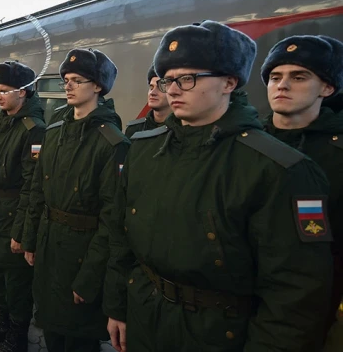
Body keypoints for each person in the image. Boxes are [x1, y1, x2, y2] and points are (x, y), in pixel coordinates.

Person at [104, 20, 334, 352]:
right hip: (146, 316)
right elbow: (120, 235)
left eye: (188, 78)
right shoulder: (142, 148)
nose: (172, 89)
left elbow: (296, 290)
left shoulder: (279, 168)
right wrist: (117, 307)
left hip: (220, 333)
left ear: (229, 82)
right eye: (169, 79)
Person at [23, 48, 130, 352]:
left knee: (79, 340)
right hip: (49, 245)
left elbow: (113, 220)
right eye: (65, 80)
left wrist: (90, 277)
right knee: (52, 330)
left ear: (98, 86)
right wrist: (30, 238)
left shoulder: (112, 142)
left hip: (82, 254)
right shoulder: (55, 130)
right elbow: (38, 188)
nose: (67, 86)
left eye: (77, 80)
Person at [260, 35, 343, 344]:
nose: (282, 85)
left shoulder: (337, 155)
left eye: (299, 77)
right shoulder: (245, 144)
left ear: (327, 88)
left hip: (315, 310)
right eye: (275, 77)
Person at [0, 61, 45, 352]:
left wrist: (23, 231)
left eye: (4, 91)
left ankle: (17, 332)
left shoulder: (34, 130)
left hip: (15, 212)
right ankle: (2, 320)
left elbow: (33, 186)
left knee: (16, 279)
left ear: (24, 93)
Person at [124, 66, 170, 138]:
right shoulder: (134, 129)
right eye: (151, 87)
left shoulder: (181, 131)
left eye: (160, 88)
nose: (153, 92)